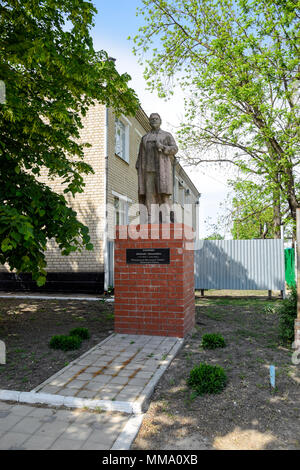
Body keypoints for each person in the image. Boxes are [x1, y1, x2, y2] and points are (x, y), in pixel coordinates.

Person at [136, 113, 178, 223]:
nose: (154, 120)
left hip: (162, 170)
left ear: (160, 121)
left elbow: (175, 149)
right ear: (149, 122)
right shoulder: (145, 137)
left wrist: (163, 147)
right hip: (147, 170)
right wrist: (139, 168)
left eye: (156, 119)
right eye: (152, 119)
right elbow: (140, 155)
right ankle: (150, 218)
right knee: (150, 196)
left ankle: (166, 218)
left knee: (163, 194)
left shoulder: (166, 135)